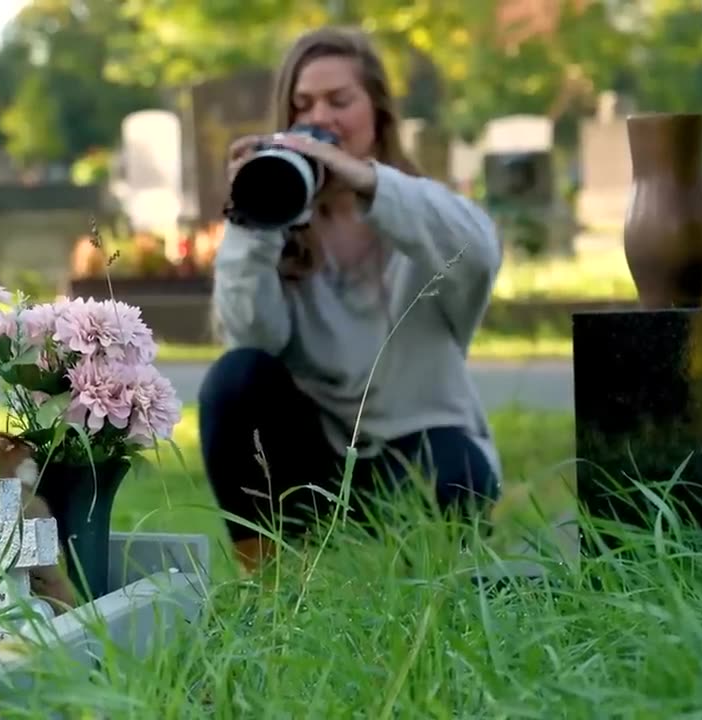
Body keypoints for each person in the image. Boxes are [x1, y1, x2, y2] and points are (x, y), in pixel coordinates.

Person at [199, 26, 503, 572]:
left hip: (420, 449)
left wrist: (366, 181)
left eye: (340, 101)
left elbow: (479, 253)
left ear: (379, 113)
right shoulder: (282, 228)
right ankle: (269, 586)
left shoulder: (419, 214)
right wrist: (254, 218)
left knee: (458, 471)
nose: (321, 119)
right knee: (234, 377)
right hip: (315, 461)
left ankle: (439, 578)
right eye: (304, 105)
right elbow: (254, 339)